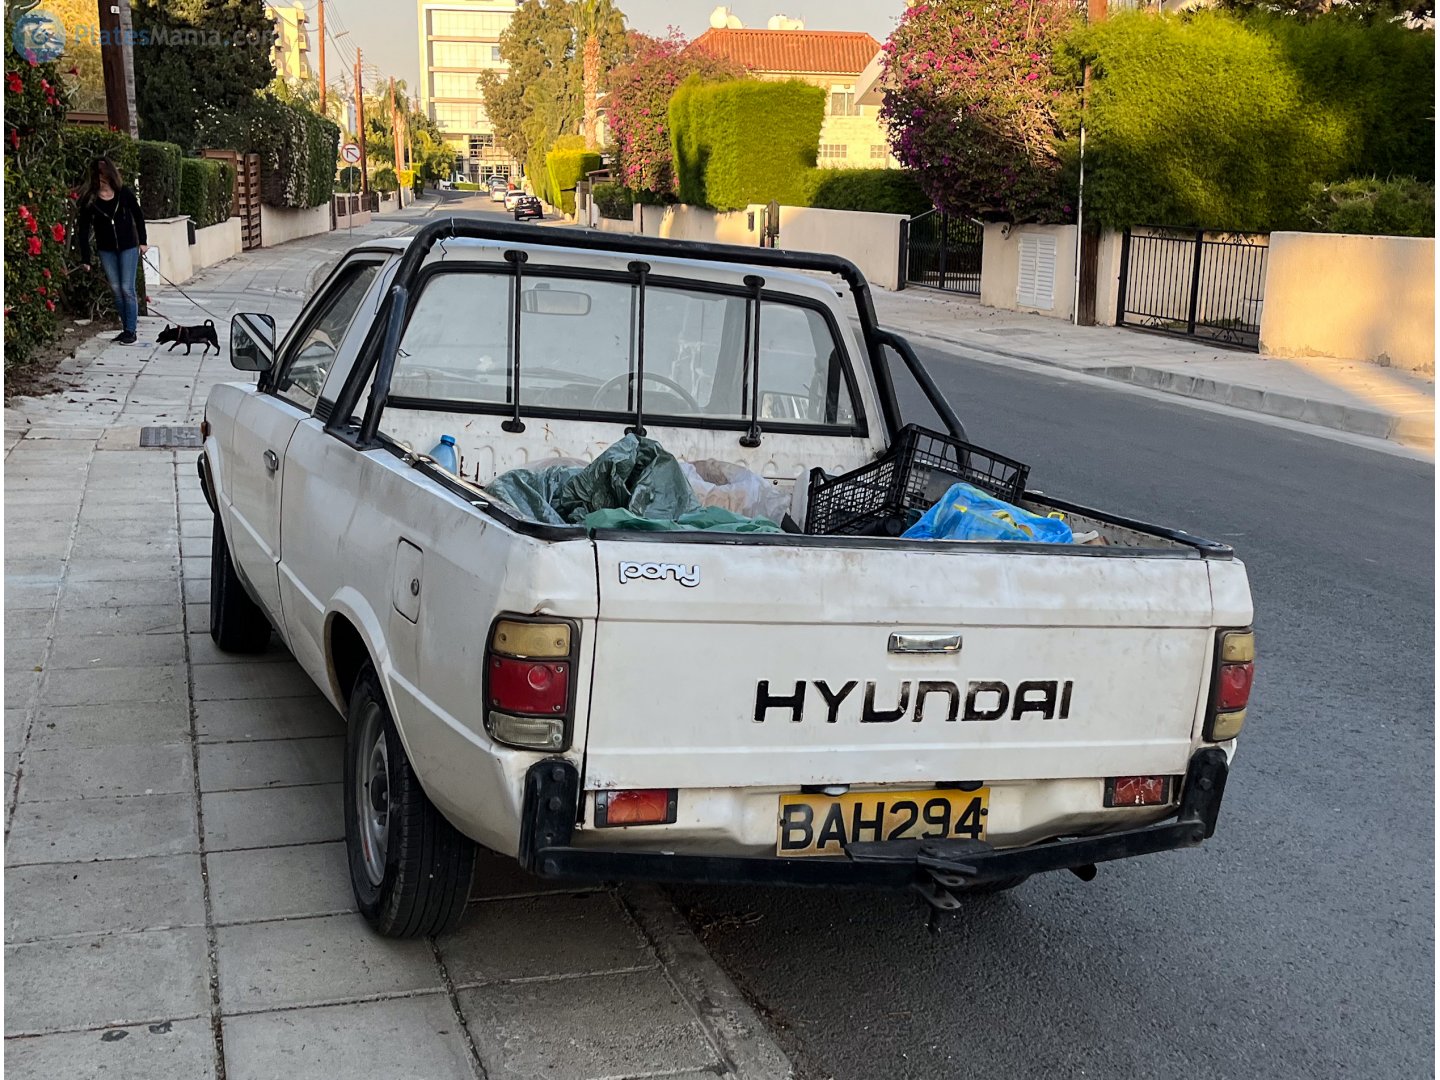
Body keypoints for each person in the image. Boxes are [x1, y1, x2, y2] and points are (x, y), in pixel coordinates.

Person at [76, 157, 147, 345]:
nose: (102, 180)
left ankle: (131, 330)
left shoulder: (123, 193)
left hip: (129, 246)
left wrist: (143, 241)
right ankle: (126, 329)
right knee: (116, 289)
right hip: (106, 249)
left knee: (127, 288)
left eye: (104, 176)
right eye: (98, 176)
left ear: (110, 174)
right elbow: (83, 230)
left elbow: (138, 215)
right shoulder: (90, 199)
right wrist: (86, 259)